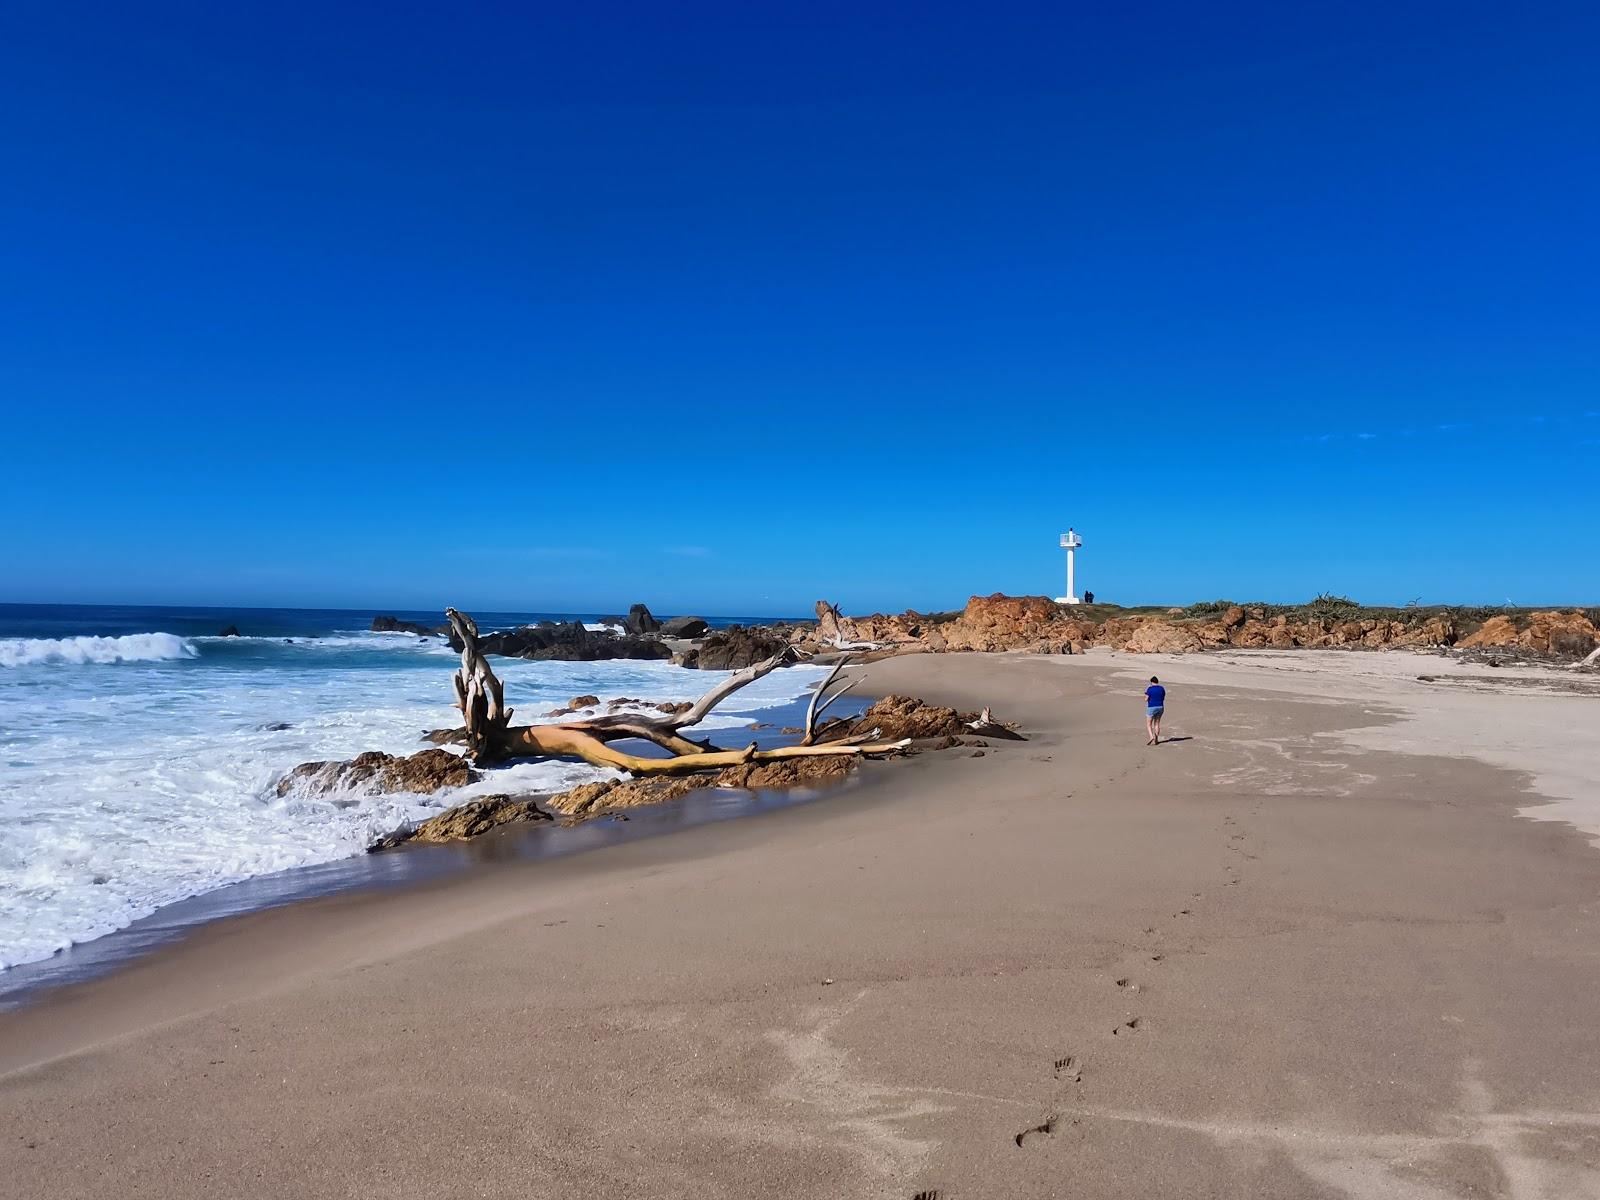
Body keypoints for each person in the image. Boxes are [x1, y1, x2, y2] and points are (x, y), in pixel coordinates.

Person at [1144, 676, 1166, 745]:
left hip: (1152, 707)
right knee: (1157, 723)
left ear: (1151, 682)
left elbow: (1145, 699)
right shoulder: (1162, 688)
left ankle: (1151, 737)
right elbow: (1163, 698)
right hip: (1160, 707)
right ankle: (1156, 739)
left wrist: (1146, 691)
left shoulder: (1150, 689)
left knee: (1149, 724)